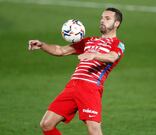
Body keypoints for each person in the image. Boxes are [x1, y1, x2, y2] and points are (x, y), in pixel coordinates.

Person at [28, 7, 125, 135]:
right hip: (72, 86)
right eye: (101, 18)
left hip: (90, 88)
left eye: (107, 18)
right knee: (46, 124)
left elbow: (112, 57)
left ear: (116, 23)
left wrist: (94, 55)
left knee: (94, 131)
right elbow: (60, 50)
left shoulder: (118, 44)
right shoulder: (89, 41)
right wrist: (42, 45)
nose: (102, 21)